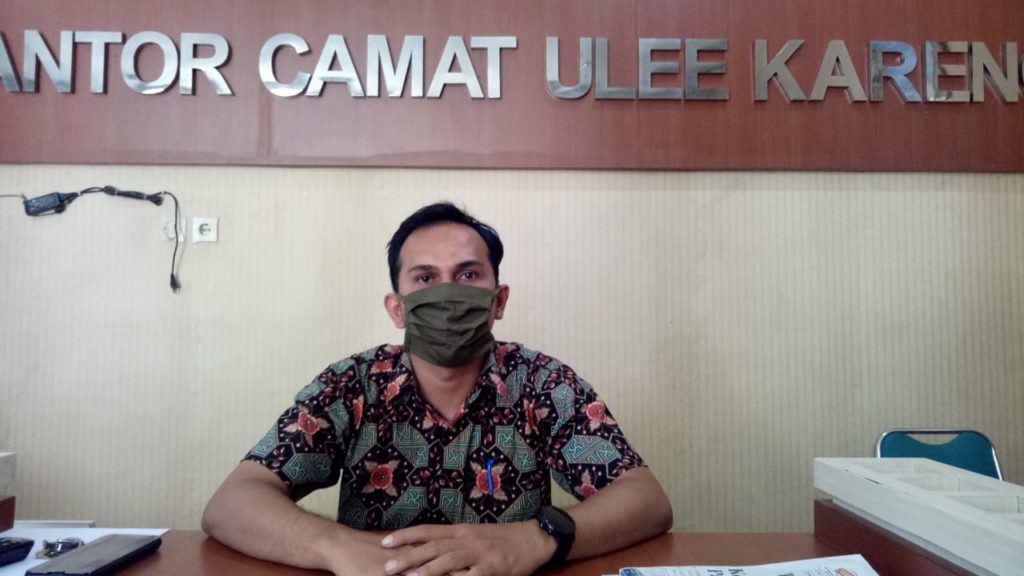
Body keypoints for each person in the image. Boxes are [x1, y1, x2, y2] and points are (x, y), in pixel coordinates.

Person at [202, 202, 673, 576]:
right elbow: (233, 503)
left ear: (498, 300)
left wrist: (538, 536)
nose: (447, 294)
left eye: (467, 275)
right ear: (398, 308)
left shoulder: (544, 383)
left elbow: (645, 500)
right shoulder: (351, 384)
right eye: (425, 278)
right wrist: (336, 547)